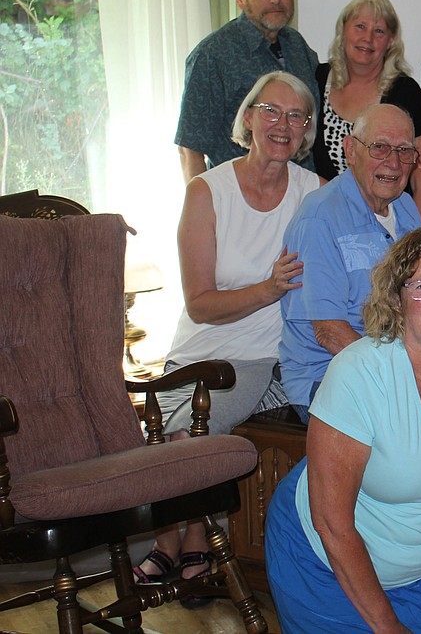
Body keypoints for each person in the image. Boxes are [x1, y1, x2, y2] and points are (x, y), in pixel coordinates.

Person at [265, 227, 421, 633]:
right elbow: (332, 521)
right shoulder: (358, 373)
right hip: (326, 564)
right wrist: (387, 627)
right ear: (396, 297)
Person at [134, 70, 324, 591]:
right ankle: (187, 536)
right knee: (183, 431)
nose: (282, 125)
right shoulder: (206, 191)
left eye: (295, 116)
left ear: (307, 130)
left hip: (279, 358)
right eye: (271, 111)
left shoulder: (314, 192)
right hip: (213, 349)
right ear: (248, 118)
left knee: (191, 429)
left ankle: (176, 539)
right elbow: (199, 304)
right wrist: (270, 288)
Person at [279, 104, 421, 422]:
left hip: (398, 365)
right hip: (329, 376)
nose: (394, 162)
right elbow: (329, 332)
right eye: (380, 147)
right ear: (350, 150)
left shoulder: (407, 208)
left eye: (404, 151)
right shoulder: (320, 216)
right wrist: (402, 378)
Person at [176, 0, 320, 182]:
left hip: (300, 197)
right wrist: (205, 209)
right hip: (242, 202)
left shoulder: (299, 47)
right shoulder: (213, 54)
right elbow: (190, 149)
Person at [313, 0, 421, 224]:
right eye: (360, 26)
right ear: (343, 30)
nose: (367, 38)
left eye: (379, 31)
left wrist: (415, 246)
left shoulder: (405, 91)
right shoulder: (317, 81)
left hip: (392, 223)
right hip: (330, 222)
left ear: (390, 41)